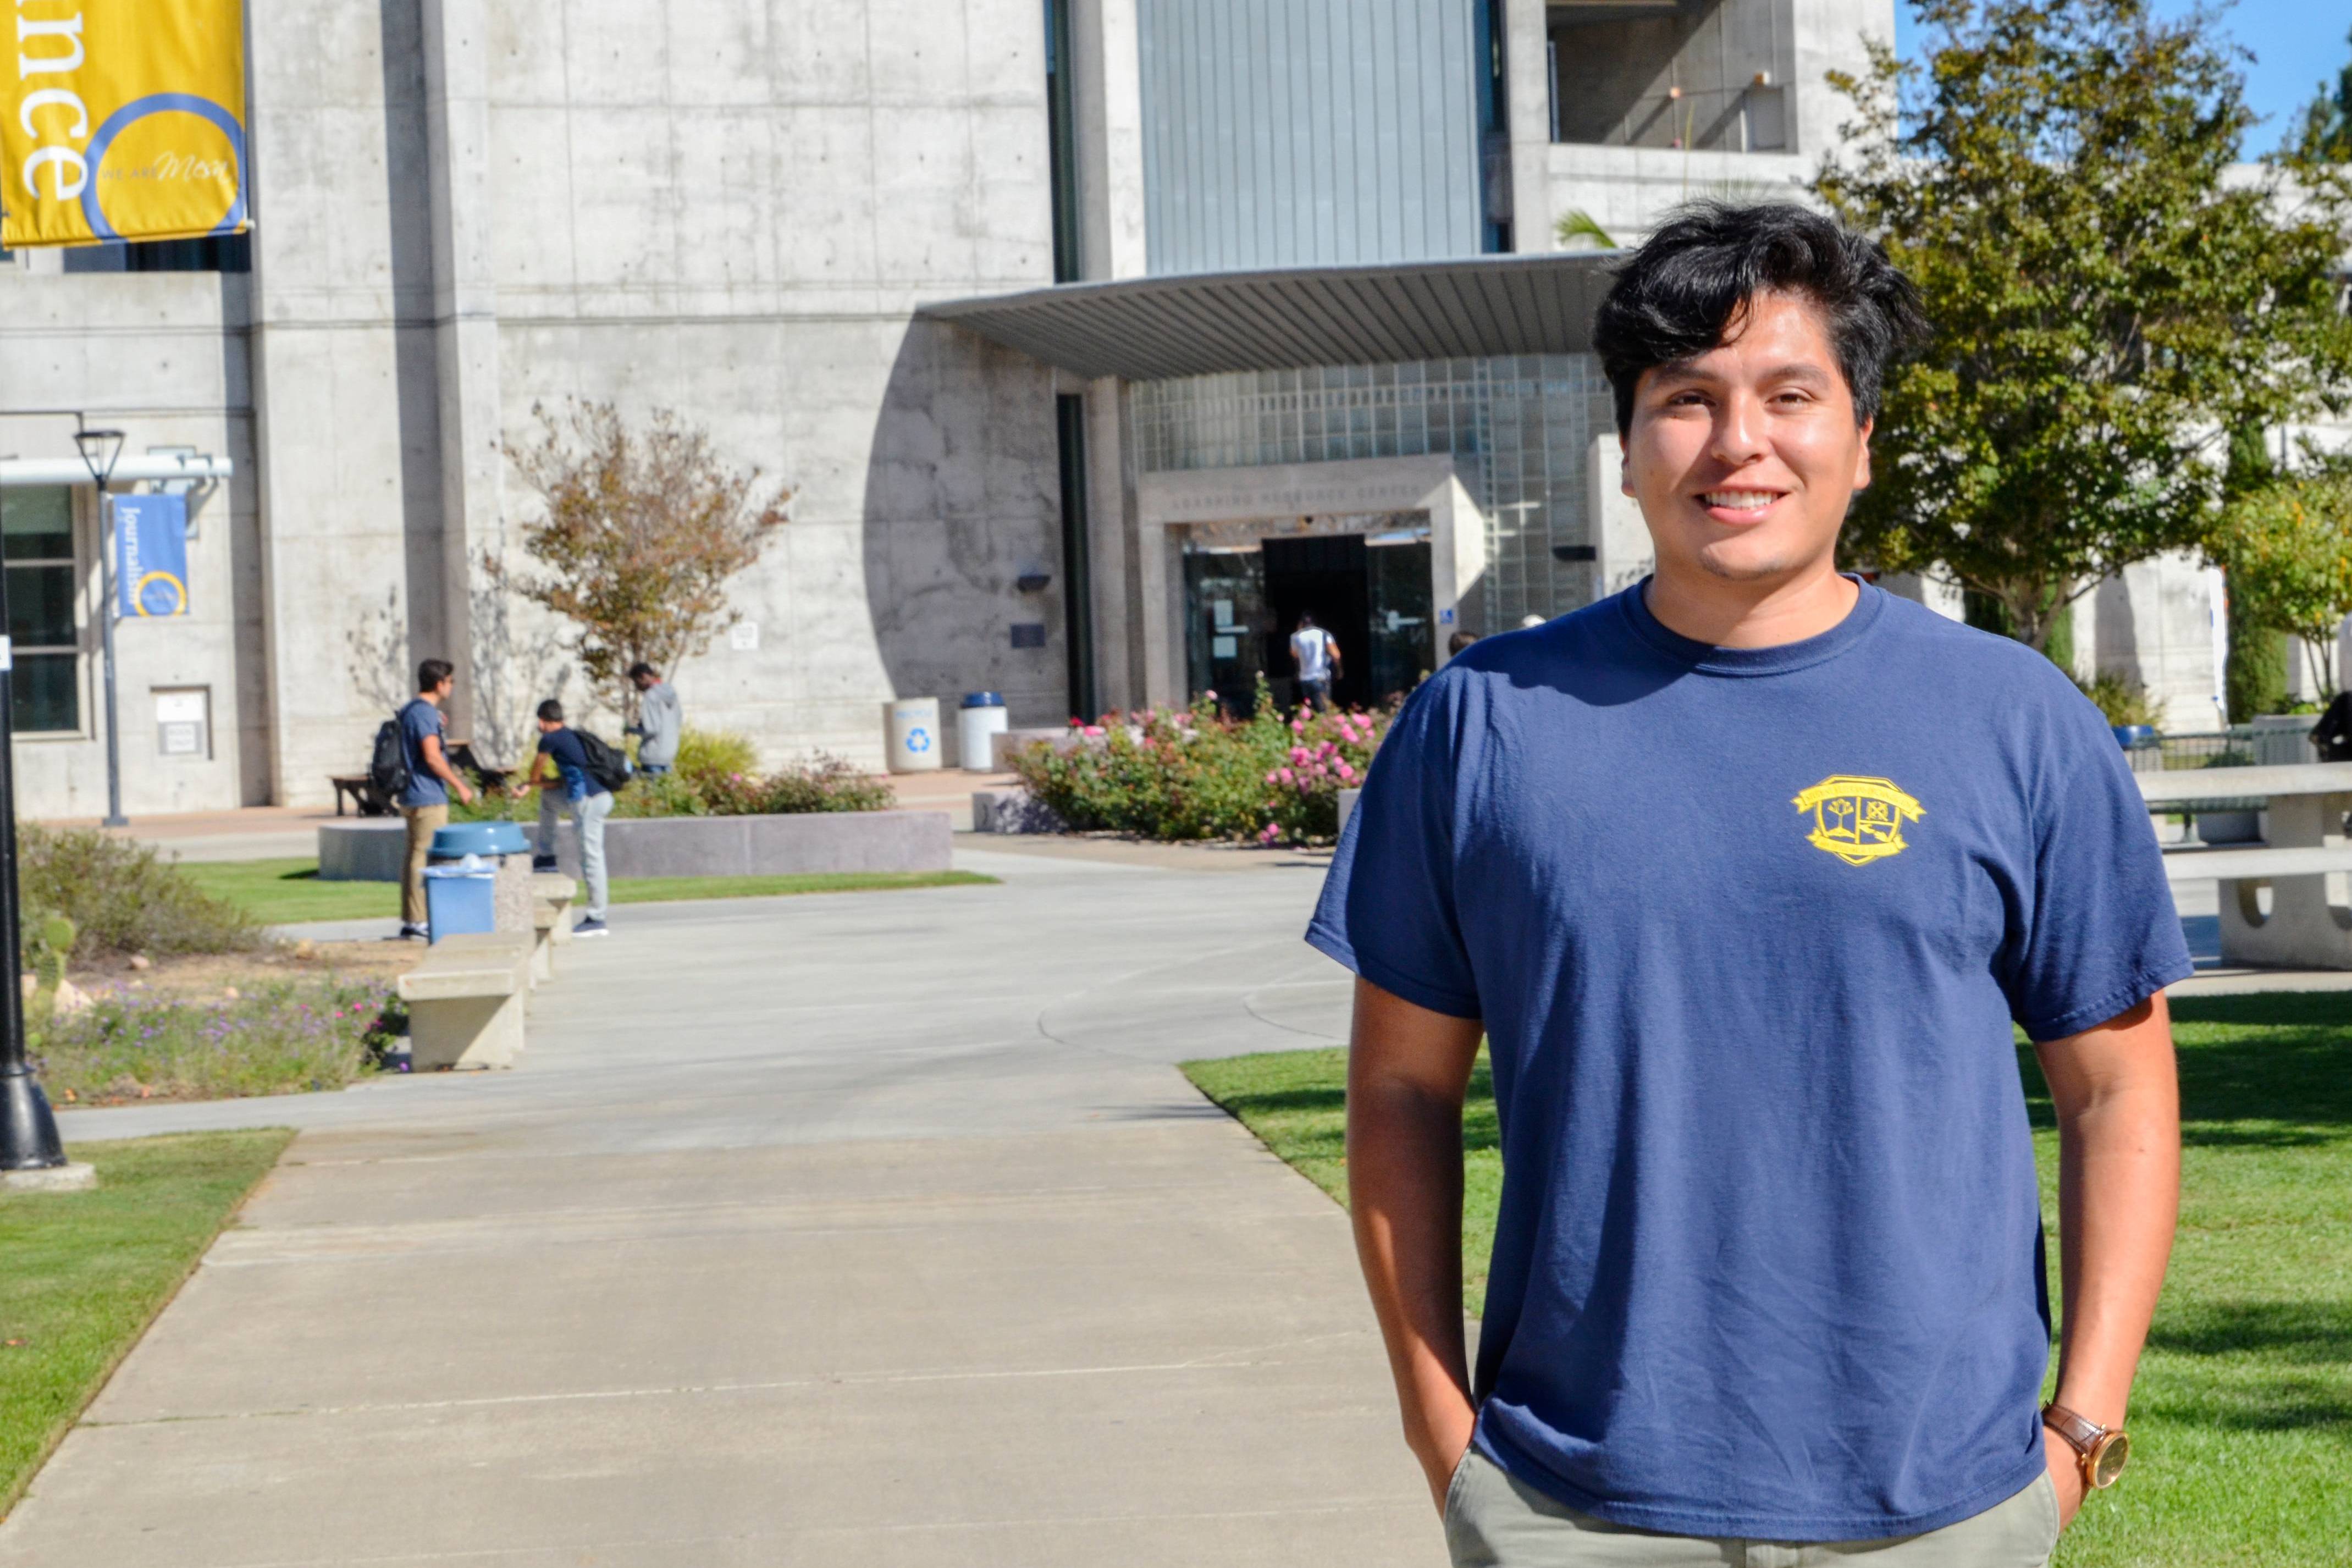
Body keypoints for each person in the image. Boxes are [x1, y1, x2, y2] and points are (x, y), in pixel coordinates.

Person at [1314, 202, 2187, 1566]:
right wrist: (1444, 1436)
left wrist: (2079, 1430)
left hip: (1941, 1502)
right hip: (1572, 1503)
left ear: (1862, 439)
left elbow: (2119, 1083)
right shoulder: (1481, 723)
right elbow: (1399, 1090)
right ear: (1626, 448)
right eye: (1685, 399)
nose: (1738, 444)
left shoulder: (2015, 720)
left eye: (1790, 394)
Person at [511, 699, 612, 937]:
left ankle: (597, 918)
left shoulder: (550, 738)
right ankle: (546, 857)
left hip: (590, 801)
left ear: (542, 721)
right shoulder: (569, 736)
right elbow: (562, 781)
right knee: (548, 799)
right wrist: (534, 786)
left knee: (592, 857)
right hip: (587, 796)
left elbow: (537, 770)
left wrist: (528, 783)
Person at [394, 659, 476, 941]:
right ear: (440, 683)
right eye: (451, 681)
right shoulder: (424, 714)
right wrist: (459, 786)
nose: (452, 686)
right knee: (422, 856)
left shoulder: (412, 710)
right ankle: (417, 921)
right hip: (426, 795)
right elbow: (431, 756)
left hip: (412, 793)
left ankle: (412, 919)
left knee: (413, 855)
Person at [626, 661, 682, 776]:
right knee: (665, 791)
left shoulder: (650, 696)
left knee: (651, 792)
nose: (636, 687)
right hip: (670, 751)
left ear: (643, 677)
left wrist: (631, 730)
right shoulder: (671, 693)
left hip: (653, 754)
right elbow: (678, 720)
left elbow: (651, 730)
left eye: (636, 682)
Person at [1290, 614, 1341, 710]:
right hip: (1321, 678)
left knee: (1309, 710)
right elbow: (1336, 656)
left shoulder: (1296, 637)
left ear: (1301, 624)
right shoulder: (1325, 635)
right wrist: (1339, 671)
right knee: (1324, 709)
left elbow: (1294, 656)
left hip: (1304, 679)